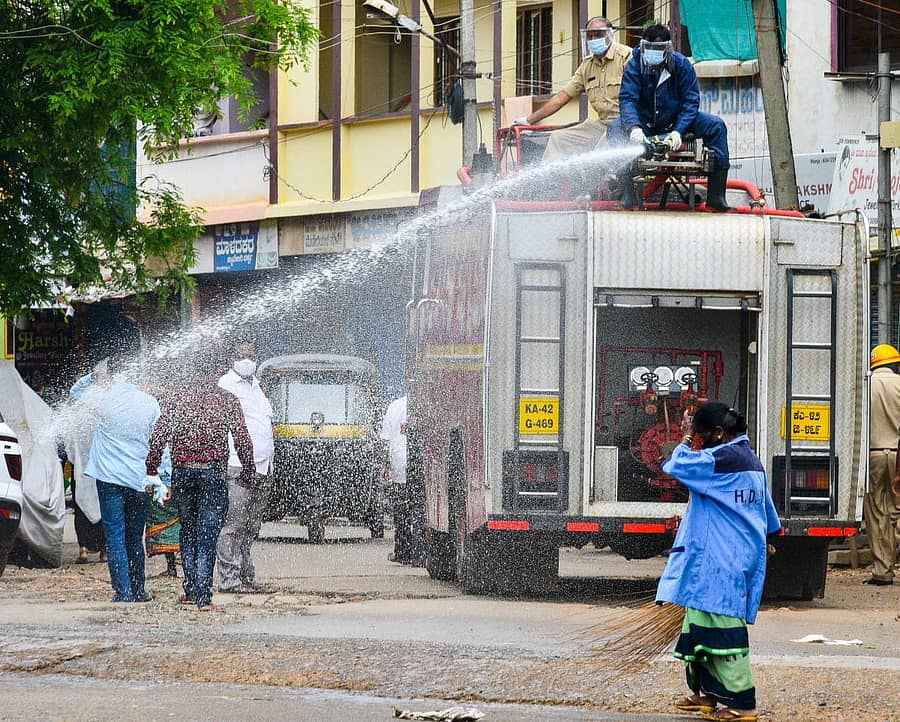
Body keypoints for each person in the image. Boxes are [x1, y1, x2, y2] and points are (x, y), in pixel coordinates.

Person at [656, 402, 780, 722]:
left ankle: (744, 705)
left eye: (701, 435)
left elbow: (676, 466)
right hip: (728, 555)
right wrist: (765, 539)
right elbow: (766, 513)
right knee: (699, 628)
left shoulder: (722, 459)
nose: (699, 441)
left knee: (724, 633)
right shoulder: (751, 461)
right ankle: (708, 697)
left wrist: (683, 438)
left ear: (719, 433)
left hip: (723, 560)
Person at [146, 355, 255, 611]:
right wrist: (249, 469)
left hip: (183, 472)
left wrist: (151, 471)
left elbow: (158, 438)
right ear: (216, 374)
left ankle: (192, 589)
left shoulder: (177, 400)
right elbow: (242, 439)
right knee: (207, 534)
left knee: (188, 530)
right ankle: (203, 597)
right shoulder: (226, 400)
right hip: (213, 473)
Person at [609, 24, 732, 211]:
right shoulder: (634, 65)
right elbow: (628, 99)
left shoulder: (682, 65)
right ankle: (628, 192)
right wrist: (634, 128)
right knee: (614, 128)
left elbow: (690, 102)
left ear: (668, 48)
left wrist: (678, 131)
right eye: (648, 47)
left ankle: (717, 197)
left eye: (658, 48)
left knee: (716, 125)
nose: (652, 52)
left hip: (676, 121)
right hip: (644, 123)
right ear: (642, 46)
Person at [70, 357, 161, 603]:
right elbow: (159, 444)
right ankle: (139, 590)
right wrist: (163, 478)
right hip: (139, 479)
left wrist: (93, 377)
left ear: (110, 377)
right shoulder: (150, 403)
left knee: (115, 537)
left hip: (109, 479)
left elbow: (75, 392)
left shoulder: (102, 399)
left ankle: (123, 593)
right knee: (135, 536)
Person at [513, 17, 631, 163]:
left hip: (625, 123)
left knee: (600, 150)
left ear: (610, 35)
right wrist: (528, 120)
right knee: (558, 139)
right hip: (601, 124)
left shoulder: (626, 57)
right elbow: (562, 97)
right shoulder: (587, 65)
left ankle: (600, 184)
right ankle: (548, 183)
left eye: (598, 35)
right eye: (590, 36)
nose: (593, 39)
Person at [216, 342, 275, 594]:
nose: (247, 360)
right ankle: (230, 580)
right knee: (233, 526)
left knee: (251, 527)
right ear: (232, 357)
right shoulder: (226, 385)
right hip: (237, 467)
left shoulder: (257, 386)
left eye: (251, 356)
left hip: (263, 468)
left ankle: (246, 576)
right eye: (241, 355)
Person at [866, 344, 900, 586]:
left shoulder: (867, 385)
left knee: (877, 511)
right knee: (897, 511)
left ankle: (882, 571)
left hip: (874, 454)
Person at [380, 395, 410, 564]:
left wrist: (384, 466)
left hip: (399, 465)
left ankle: (403, 552)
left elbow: (385, 440)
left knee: (402, 513)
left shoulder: (395, 406)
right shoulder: (426, 403)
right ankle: (420, 552)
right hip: (421, 465)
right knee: (419, 511)